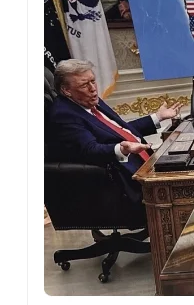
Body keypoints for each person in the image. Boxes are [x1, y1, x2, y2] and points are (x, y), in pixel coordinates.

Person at [47, 59, 183, 203]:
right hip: (125, 179)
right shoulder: (64, 115)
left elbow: (119, 130)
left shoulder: (90, 101)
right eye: (84, 85)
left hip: (146, 162)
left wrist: (158, 117)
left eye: (93, 81)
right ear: (66, 90)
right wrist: (121, 149)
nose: (93, 89)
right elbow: (90, 149)